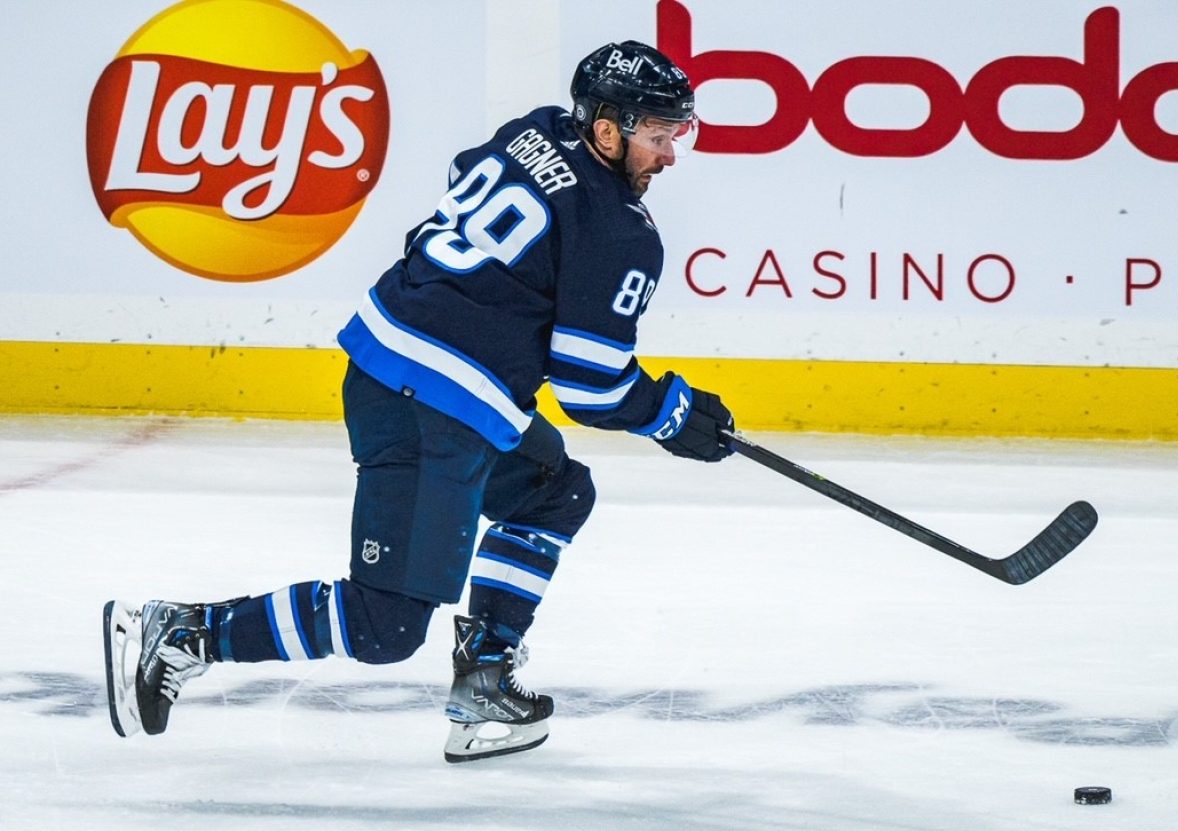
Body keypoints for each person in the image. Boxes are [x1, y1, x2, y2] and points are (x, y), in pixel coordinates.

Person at [103, 40, 736, 762]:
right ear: (606, 129)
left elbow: (463, 177)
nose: (669, 155)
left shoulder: (533, 130)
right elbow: (590, 386)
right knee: (385, 627)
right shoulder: (620, 231)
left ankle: (485, 678)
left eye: (676, 135)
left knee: (553, 492)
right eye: (657, 135)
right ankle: (182, 633)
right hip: (432, 404)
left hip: (407, 365)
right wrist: (673, 413)